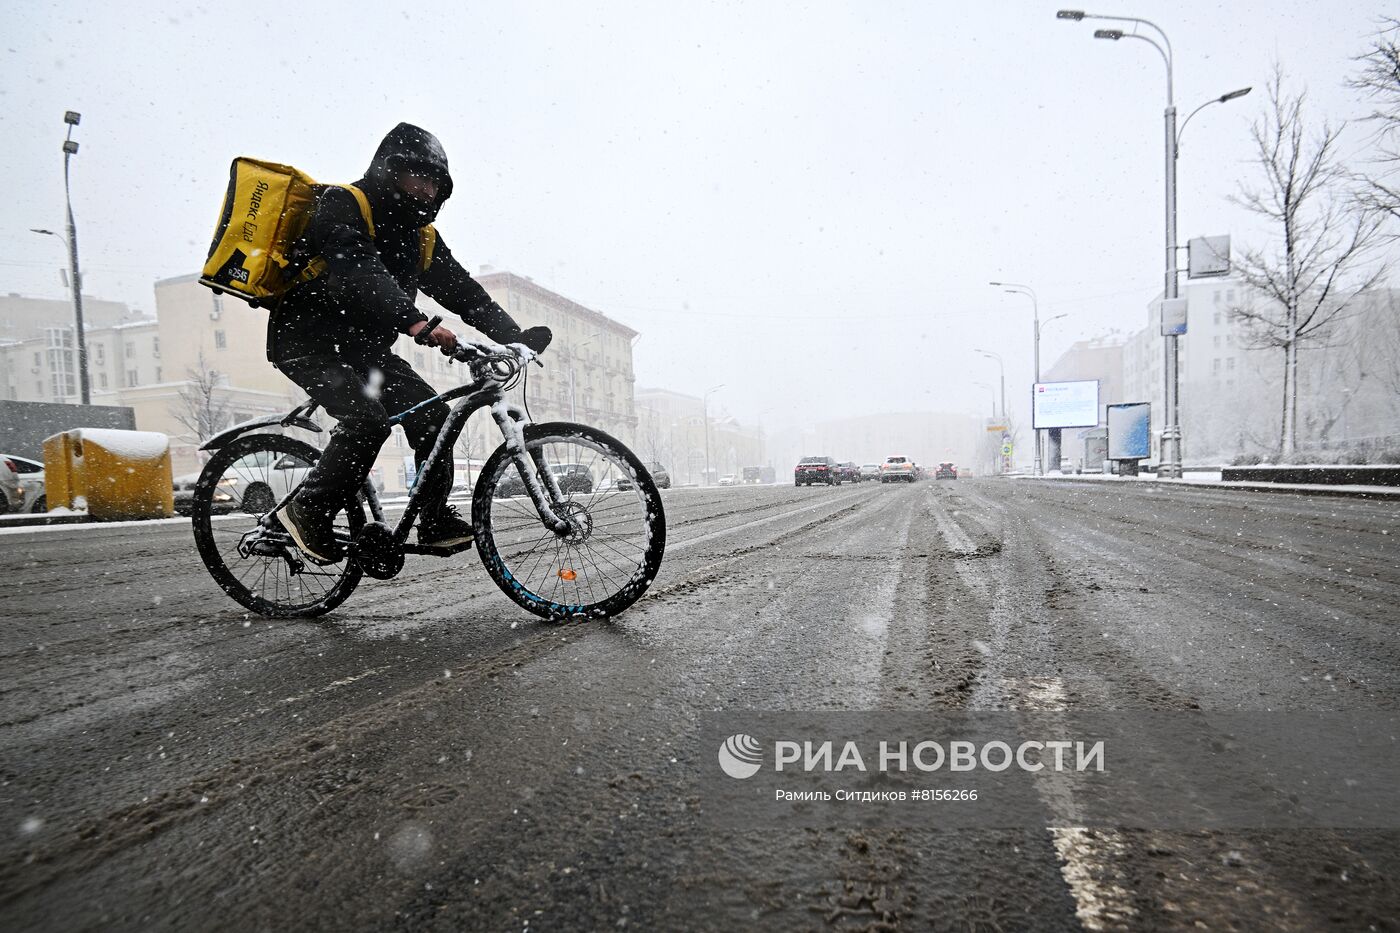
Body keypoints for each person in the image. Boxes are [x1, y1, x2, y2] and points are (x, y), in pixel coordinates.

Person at [267, 122, 550, 564]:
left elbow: (462, 291)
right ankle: (308, 511)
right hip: (308, 341)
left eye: (434, 182)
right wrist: (416, 322)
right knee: (368, 422)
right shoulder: (344, 203)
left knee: (435, 417)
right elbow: (359, 272)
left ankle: (433, 519)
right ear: (388, 171)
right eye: (416, 176)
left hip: (365, 351)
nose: (425, 188)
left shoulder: (421, 236)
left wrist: (514, 337)